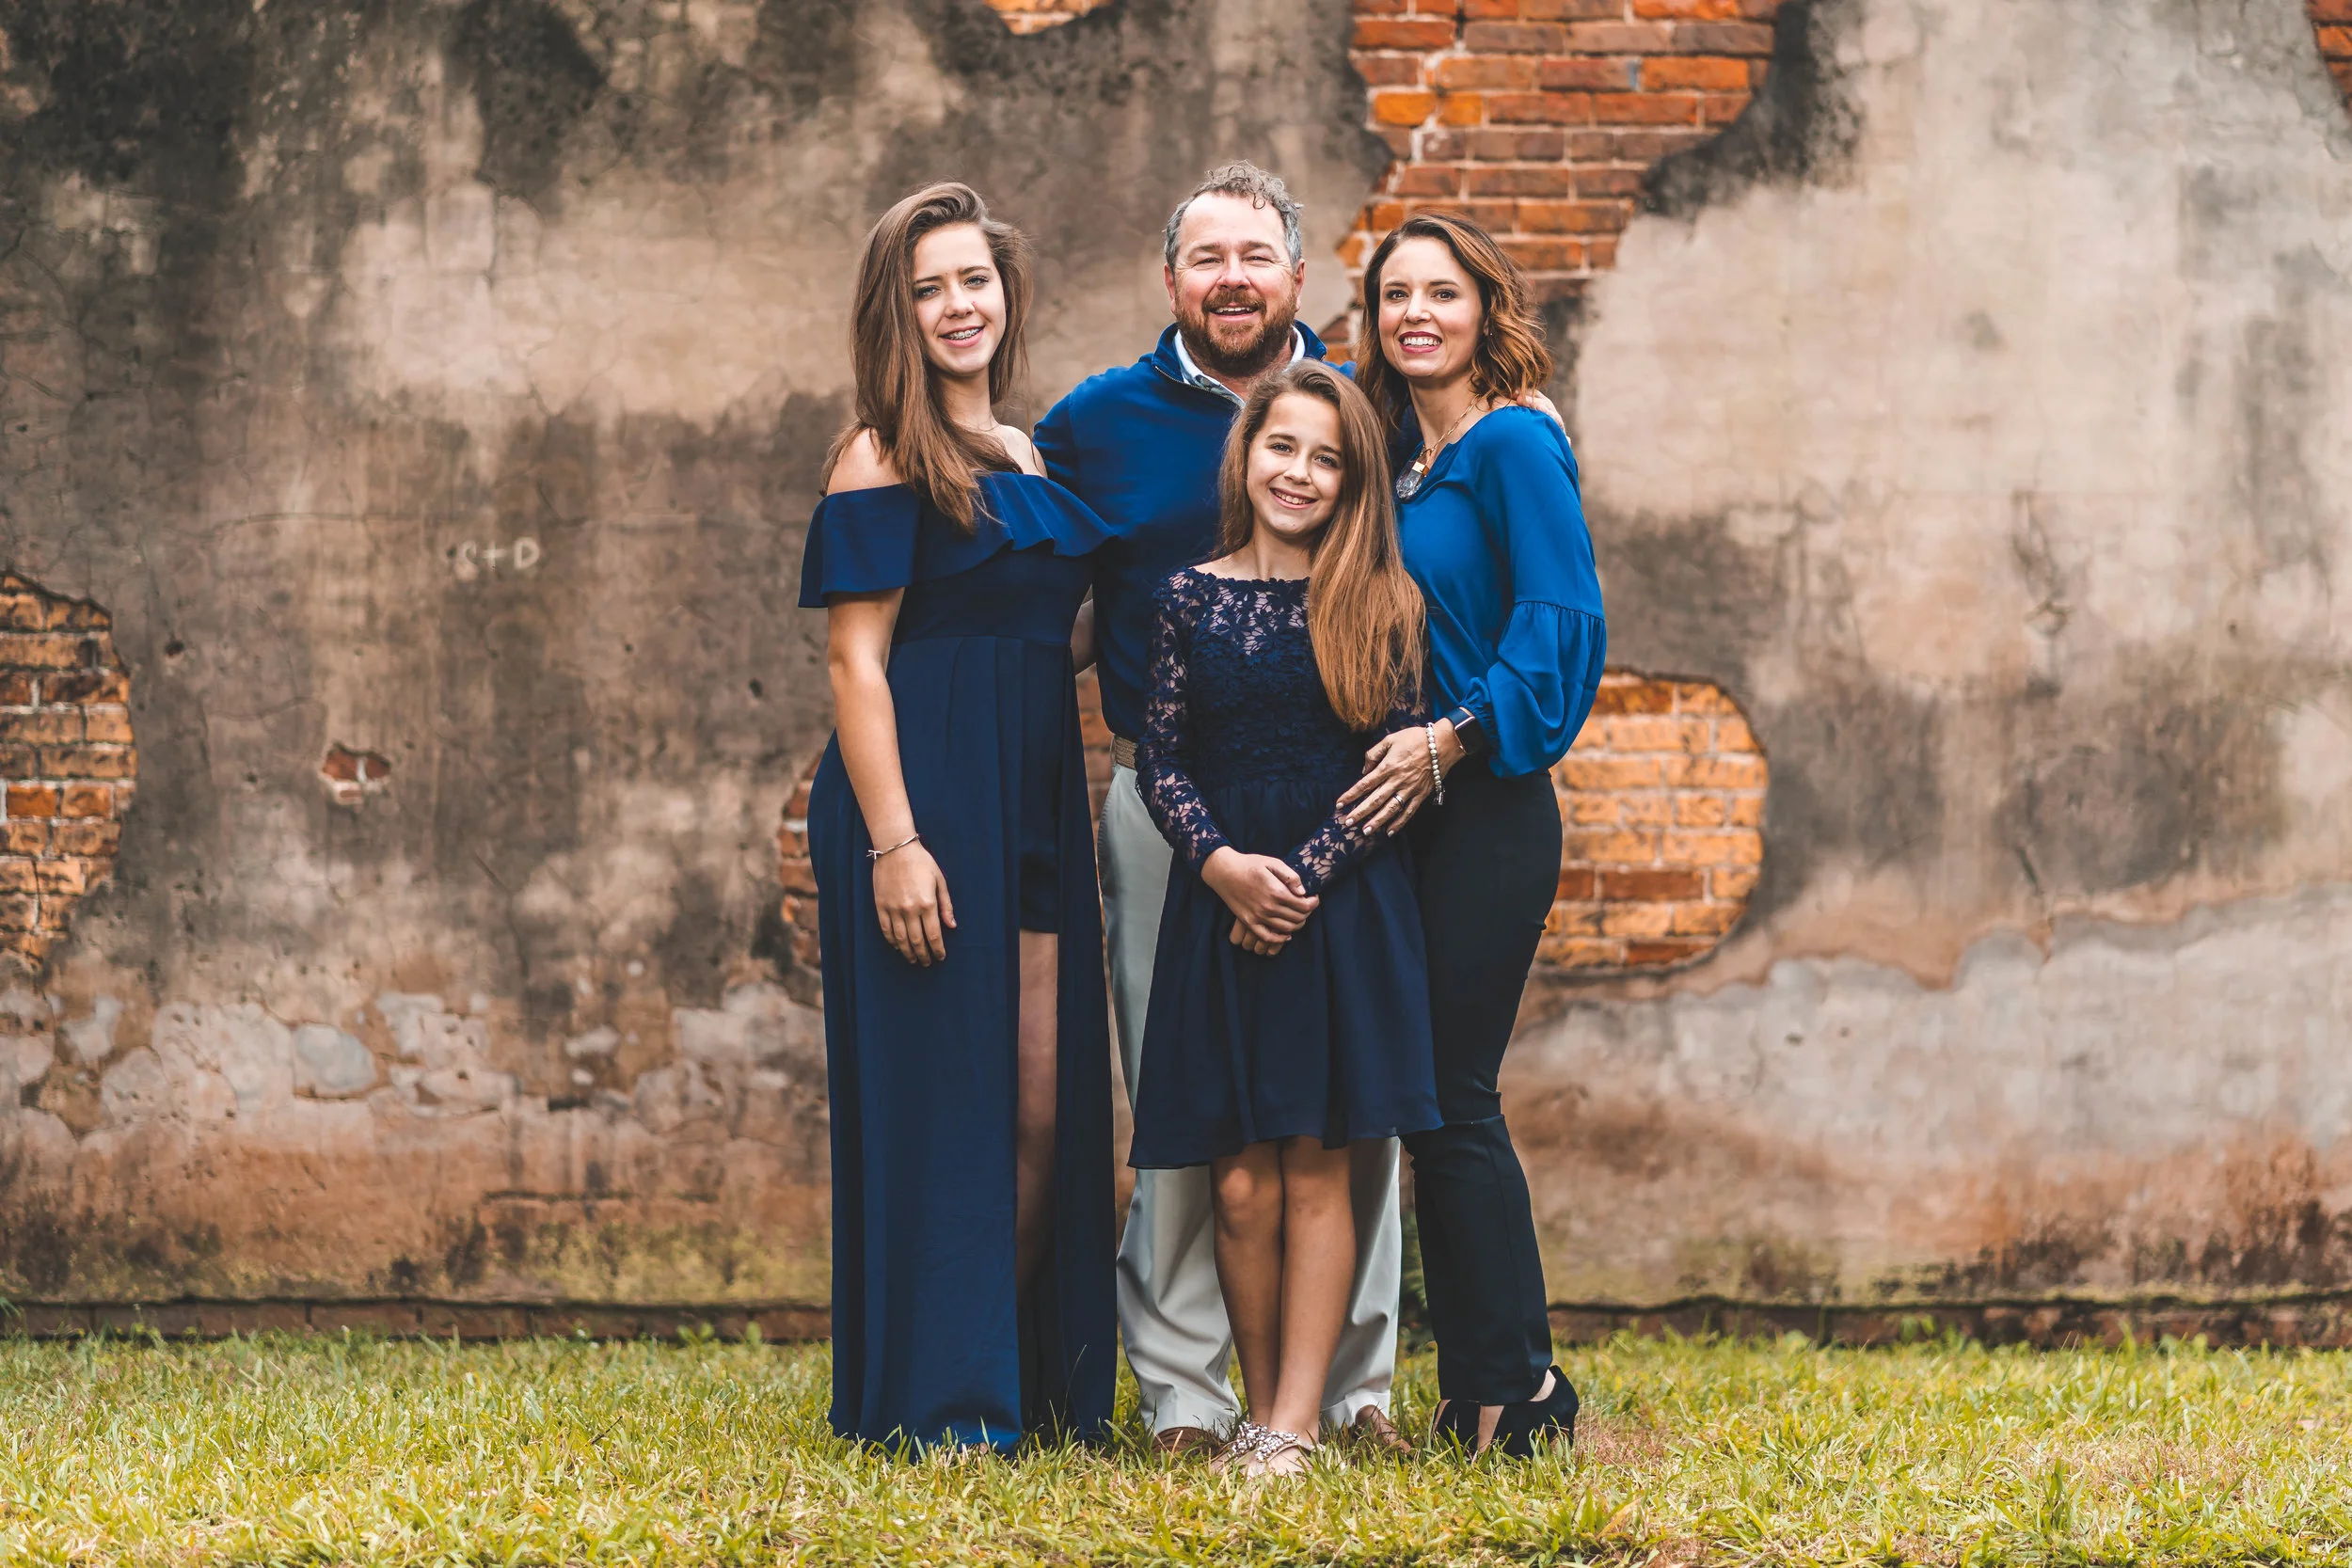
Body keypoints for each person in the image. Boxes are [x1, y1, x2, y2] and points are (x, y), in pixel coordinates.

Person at [1032, 163, 1409, 1456]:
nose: (1232, 277)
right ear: (1172, 275)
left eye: (1257, 253)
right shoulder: (1095, 422)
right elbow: (1045, 603)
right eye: (1207, 256)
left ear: (1299, 276)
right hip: (1171, 805)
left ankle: (1351, 1387)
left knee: (1351, 1112)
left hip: (1345, 812)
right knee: (1188, 1099)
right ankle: (1192, 1390)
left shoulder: (1370, 413)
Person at [801, 182, 1117, 1453]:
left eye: (972, 279)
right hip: (921, 799)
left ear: (1006, 292)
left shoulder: (1033, 452)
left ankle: (1006, 1367)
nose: (957, 304)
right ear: (898, 310)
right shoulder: (880, 448)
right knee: (946, 1101)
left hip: (1033, 794)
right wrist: (895, 840)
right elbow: (854, 664)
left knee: (1040, 1101)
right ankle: (946, 1401)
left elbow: (1051, 633)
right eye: (928, 286)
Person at [1128, 361, 1441, 1477]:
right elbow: (1156, 759)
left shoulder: (1381, 603)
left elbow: (1389, 776)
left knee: (1316, 1170)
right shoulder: (1184, 598)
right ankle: (1261, 1408)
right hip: (1219, 906)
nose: (1299, 472)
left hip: (1337, 907)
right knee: (1238, 1177)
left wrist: (1295, 880)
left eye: (1327, 458)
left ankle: (1296, 1422)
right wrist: (1220, 866)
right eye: (1282, 447)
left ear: (1353, 481)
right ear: (1246, 452)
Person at [1339, 211, 1607, 1457]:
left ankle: (1522, 1388)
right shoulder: (1402, 457)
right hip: (1406, 812)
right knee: (1420, 1099)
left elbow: (1561, 618)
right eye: (1395, 296)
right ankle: (1475, 1386)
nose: (1416, 315)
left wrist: (1457, 736)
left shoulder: (1511, 442)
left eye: (1440, 293)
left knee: (1452, 1095)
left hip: (1487, 801)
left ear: (1483, 309)